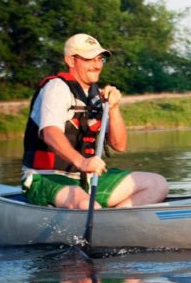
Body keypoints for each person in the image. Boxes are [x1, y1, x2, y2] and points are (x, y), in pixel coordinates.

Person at [22, 33, 169, 209]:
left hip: (86, 179)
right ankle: (101, 219)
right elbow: (50, 133)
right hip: (46, 176)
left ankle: (116, 222)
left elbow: (119, 145)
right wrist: (82, 162)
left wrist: (113, 108)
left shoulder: (96, 95)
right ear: (71, 60)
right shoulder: (56, 88)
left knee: (157, 184)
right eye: (89, 59)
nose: (97, 65)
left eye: (100, 59)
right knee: (87, 205)